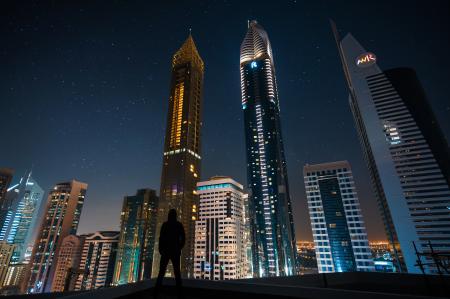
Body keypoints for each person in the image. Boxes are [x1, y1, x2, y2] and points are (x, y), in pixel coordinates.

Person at [153, 209, 185, 299]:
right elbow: (183, 238)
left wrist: (161, 249)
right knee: (176, 273)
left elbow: (161, 238)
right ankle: (180, 294)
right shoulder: (178, 225)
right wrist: (179, 247)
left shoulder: (165, 225)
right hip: (173, 251)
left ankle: (156, 293)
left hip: (166, 251)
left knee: (162, 272)